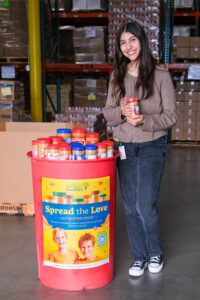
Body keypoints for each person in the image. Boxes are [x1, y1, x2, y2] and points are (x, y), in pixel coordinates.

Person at [103, 21, 177, 277]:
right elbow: (108, 113)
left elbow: (171, 116)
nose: (128, 46)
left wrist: (146, 120)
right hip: (124, 145)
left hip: (151, 146)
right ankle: (139, 257)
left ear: (142, 41)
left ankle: (154, 252)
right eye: (123, 43)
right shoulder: (117, 76)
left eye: (132, 40)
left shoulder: (161, 75)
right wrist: (121, 113)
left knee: (145, 204)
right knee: (131, 206)